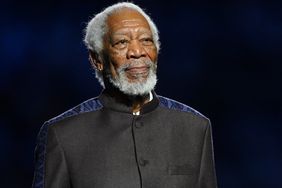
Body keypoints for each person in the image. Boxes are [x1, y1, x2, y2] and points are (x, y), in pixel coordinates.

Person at [32, 2, 217, 188]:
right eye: (122, 42)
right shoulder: (62, 135)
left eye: (146, 40)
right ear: (97, 60)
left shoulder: (196, 128)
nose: (137, 52)